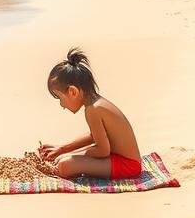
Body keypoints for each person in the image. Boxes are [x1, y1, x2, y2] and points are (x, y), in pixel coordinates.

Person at [37, 48, 142, 180]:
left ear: (73, 92)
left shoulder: (93, 109)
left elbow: (103, 150)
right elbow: (95, 136)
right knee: (61, 159)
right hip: (120, 159)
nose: (62, 105)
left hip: (128, 166)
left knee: (64, 165)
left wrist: (74, 155)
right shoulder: (95, 104)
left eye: (60, 98)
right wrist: (62, 149)